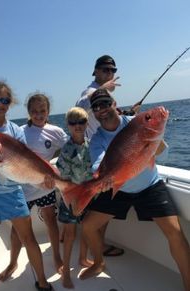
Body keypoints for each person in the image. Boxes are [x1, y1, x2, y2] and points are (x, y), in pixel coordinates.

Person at [79, 89, 190, 291]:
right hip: (119, 188)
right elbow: (97, 165)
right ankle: (98, 263)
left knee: (175, 233)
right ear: (93, 113)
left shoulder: (136, 123)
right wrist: (102, 180)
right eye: (96, 107)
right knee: (87, 226)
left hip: (149, 186)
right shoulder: (97, 138)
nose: (101, 110)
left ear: (114, 104)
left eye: (105, 104)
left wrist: (153, 140)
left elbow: (162, 157)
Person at [0, 82, 53, 291]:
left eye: (4, 100)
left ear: (10, 103)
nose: (0, 104)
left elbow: (25, 162)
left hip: (13, 193)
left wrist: (45, 178)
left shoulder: (14, 130)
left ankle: (42, 282)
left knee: (29, 238)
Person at [0, 92, 67, 281]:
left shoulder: (56, 132)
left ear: (48, 111)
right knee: (16, 229)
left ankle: (56, 256)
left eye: (42, 110)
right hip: (23, 188)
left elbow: (68, 152)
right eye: (34, 111)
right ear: (28, 112)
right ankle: (13, 262)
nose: (38, 114)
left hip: (45, 186)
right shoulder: (19, 132)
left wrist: (56, 171)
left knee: (51, 221)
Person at [75, 54, 124, 257]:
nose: (109, 73)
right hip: (95, 155)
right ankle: (96, 247)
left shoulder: (102, 92)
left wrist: (126, 111)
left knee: (99, 204)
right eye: (105, 69)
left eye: (112, 70)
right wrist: (104, 89)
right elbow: (80, 106)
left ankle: (91, 244)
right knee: (101, 206)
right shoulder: (90, 91)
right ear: (95, 71)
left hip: (106, 152)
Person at [56, 107, 94, 288]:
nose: (77, 126)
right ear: (68, 126)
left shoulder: (92, 145)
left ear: (87, 123)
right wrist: (75, 200)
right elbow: (64, 179)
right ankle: (65, 271)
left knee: (87, 229)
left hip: (89, 196)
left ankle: (83, 258)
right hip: (70, 198)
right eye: (73, 123)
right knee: (70, 235)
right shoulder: (65, 150)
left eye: (81, 122)